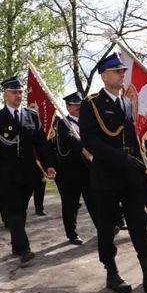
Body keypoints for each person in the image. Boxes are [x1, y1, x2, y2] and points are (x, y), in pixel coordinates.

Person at [79, 53, 147, 293]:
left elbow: (134, 139)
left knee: (139, 223)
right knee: (107, 226)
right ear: (104, 76)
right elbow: (90, 140)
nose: (123, 74)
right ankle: (112, 273)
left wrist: (145, 165)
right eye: (117, 71)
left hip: (131, 175)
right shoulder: (91, 104)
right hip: (106, 176)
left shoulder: (128, 102)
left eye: (123, 70)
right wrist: (120, 158)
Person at [0, 76, 56, 264]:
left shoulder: (31, 115)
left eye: (20, 92)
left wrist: (48, 164)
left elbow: (41, 143)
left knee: (22, 210)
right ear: (5, 94)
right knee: (14, 209)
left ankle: (17, 245)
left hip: (28, 172)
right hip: (6, 173)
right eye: (14, 92)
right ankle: (24, 249)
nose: (18, 95)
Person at [54, 92, 98, 245]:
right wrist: (84, 147)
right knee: (70, 204)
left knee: (94, 200)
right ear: (68, 106)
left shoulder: (88, 122)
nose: (78, 108)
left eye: (80, 105)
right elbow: (69, 139)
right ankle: (71, 234)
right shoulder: (62, 123)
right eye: (75, 105)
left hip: (88, 169)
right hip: (69, 172)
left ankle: (103, 228)